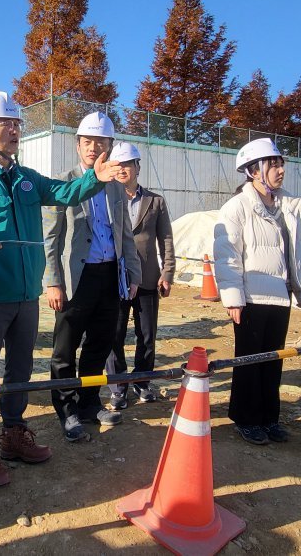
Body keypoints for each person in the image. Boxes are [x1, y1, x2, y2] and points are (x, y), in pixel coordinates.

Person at [0, 92, 122, 487]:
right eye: (4, 123)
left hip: (27, 297)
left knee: (21, 371)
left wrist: (96, 176)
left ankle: (13, 434)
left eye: (16, 123)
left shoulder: (28, 180)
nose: (13, 129)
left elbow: (65, 192)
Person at [213, 138, 301, 446]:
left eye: (280, 163)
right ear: (253, 171)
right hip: (251, 299)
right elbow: (226, 255)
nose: (280, 169)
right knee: (248, 361)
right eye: (272, 164)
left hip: (279, 297)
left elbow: (298, 255)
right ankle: (246, 419)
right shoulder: (237, 207)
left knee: (274, 360)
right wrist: (233, 297)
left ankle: (269, 418)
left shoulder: (287, 207)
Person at [43, 112, 141, 443]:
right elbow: (50, 237)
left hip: (108, 275)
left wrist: (132, 272)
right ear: (78, 145)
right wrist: (52, 280)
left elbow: (124, 233)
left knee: (100, 342)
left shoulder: (116, 187)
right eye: (87, 141)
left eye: (100, 141)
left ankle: (88, 403)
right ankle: (66, 409)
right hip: (76, 277)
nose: (93, 147)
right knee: (65, 348)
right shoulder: (62, 182)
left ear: (110, 146)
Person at [103, 142, 176, 409]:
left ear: (137, 167)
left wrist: (167, 272)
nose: (122, 169)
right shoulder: (106, 197)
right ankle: (118, 385)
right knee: (115, 334)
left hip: (146, 277)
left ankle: (143, 380)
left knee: (146, 334)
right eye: (118, 164)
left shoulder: (155, 201)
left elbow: (165, 238)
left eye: (127, 164)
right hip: (115, 278)